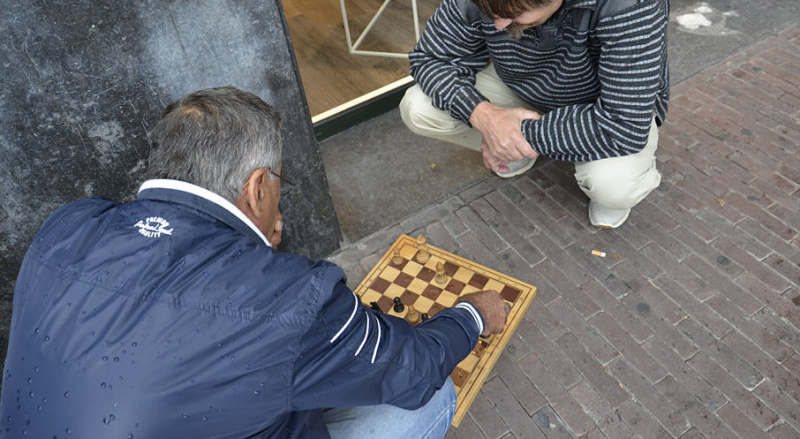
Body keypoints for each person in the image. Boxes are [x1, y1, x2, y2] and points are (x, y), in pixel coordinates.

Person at [0, 86, 509, 438]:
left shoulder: (66, 227)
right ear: (257, 186)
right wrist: (471, 315)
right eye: (279, 185)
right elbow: (412, 367)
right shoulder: (290, 298)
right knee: (432, 395)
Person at [400, 0, 670, 229]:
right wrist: (484, 116)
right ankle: (519, 148)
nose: (498, 25)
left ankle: (524, 148)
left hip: (598, 104)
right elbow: (429, 58)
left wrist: (515, 133)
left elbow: (623, 123)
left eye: (514, 16)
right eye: (491, 12)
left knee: (614, 184)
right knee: (418, 107)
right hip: (520, 86)